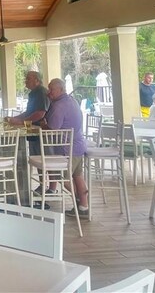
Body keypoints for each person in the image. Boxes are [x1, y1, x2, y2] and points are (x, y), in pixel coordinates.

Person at [40, 78, 88, 217]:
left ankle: (79, 199)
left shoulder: (59, 105)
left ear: (61, 90)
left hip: (66, 149)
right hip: (78, 146)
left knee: (62, 177)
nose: (49, 92)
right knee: (77, 176)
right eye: (49, 89)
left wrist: (43, 125)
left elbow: (53, 128)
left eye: (52, 90)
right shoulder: (72, 100)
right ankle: (84, 207)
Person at [7, 72, 51, 195]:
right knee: (37, 156)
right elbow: (29, 112)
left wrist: (21, 121)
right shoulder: (33, 93)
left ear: (37, 80)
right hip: (33, 130)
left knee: (43, 158)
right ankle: (43, 185)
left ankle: (48, 187)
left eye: (28, 79)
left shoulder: (41, 92)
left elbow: (40, 113)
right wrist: (14, 118)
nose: (25, 80)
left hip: (41, 130)